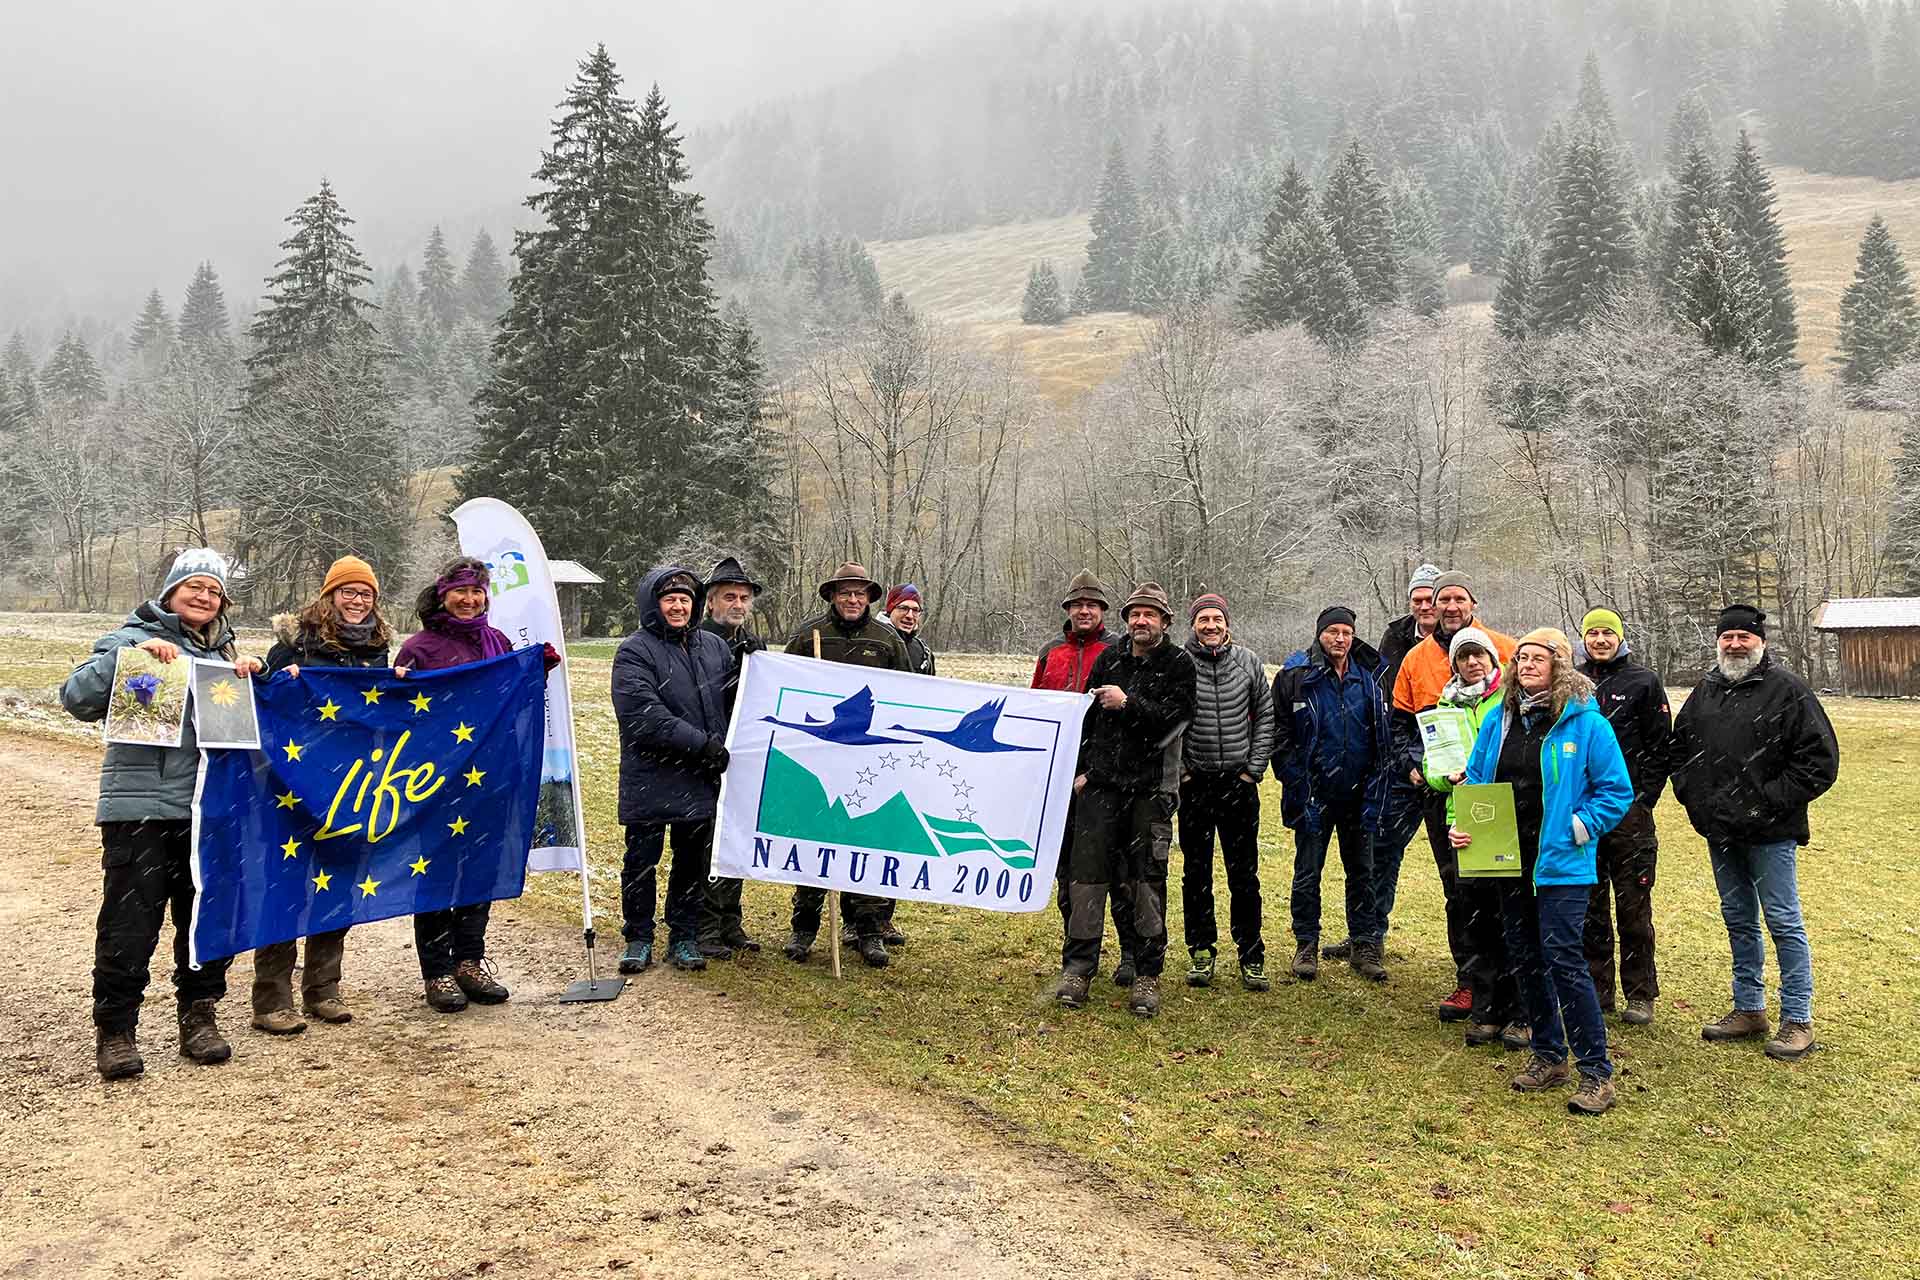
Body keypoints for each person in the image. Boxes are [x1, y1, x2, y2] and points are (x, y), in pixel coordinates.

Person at [62, 548, 262, 1079]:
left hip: (211, 810)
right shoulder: (129, 640)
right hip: (141, 811)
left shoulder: (227, 656)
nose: (203, 596)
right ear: (170, 593)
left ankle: (199, 1015)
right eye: (193, 586)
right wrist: (125, 662)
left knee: (203, 922)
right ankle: (116, 1029)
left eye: (214, 590)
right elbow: (76, 698)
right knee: (130, 923)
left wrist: (258, 680)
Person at [1452, 627, 1633, 1116]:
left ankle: (1596, 1072)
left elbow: (1616, 792)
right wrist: (1460, 826)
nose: (1527, 664)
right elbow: (1474, 781)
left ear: (1560, 665)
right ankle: (1549, 1056)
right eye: (1522, 657)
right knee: (1526, 958)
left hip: (1562, 866)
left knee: (1564, 960)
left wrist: (1579, 826)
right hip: (1509, 862)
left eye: (1539, 657)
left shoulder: (1586, 724)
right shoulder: (1499, 720)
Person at [1672, 605, 1839, 1062]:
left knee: (1783, 921)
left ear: (1760, 641)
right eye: (1727, 637)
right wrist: (1696, 800)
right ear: (1718, 641)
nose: (1735, 644)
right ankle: (1749, 1007)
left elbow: (1819, 762)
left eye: (1744, 637)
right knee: (1739, 919)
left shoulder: (1788, 690)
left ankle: (1798, 1018)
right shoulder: (1705, 692)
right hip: (1720, 831)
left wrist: (1766, 801)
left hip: (1771, 832)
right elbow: (1680, 751)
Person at [394, 555, 560, 1012]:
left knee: (480, 869)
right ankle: (437, 970)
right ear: (442, 594)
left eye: (476, 592)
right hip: (434, 780)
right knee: (437, 872)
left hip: (489, 777)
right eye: (460, 591)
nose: (468, 600)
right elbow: (399, 715)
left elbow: (510, 700)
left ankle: (470, 960)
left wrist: (533, 669)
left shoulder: (498, 641)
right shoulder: (419, 648)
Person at [252, 554, 397, 1034]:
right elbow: (263, 703)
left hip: (351, 783)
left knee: (337, 883)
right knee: (287, 885)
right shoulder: (294, 644)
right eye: (348, 592)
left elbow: (383, 714)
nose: (357, 601)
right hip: (292, 784)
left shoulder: (378, 650)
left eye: (366, 594)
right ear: (329, 595)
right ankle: (272, 997)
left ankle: (323, 988)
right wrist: (278, 681)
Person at [1054, 582, 1195, 1018]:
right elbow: (1088, 720)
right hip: (1100, 789)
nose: (1141, 621)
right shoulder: (1109, 660)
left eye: (1150, 614)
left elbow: (1173, 722)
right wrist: (1080, 770)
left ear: (1165, 622)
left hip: (1149, 792)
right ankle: (1078, 968)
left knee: (1145, 884)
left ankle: (1146, 974)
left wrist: (1128, 703)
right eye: (1135, 614)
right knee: (1086, 881)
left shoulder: (1178, 664)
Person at [1390, 570, 1517, 1025]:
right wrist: (1414, 765)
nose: (1449, 606)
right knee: (1458, 890)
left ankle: (1514, 986)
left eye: (1459, 598)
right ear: (1431, 607)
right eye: (1442, 599)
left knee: (1507, 891)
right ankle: (1470, 980)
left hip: (1503, 798)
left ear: (1473, 603)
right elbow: (1402, 723)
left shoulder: (1504, 648)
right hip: (1442, 793)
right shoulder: (1415, 659)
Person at [783, 562, 912, 968]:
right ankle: (803, 928)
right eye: (845, 593)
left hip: (867, 763)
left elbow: (907, 695)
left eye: (860, 594)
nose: (853, 600)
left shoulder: (886, 640)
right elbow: (783, 687)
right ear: (833, 597)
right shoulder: (809, 636)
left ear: (870, 598)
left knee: (866, 841)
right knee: (815, 838)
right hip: (820, 757)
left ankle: (869, 930)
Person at [613, 566, 734, 974]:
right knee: (642, 861)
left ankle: (683, 935)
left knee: (690, 863)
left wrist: (755, 665)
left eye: (685, 599)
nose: (678, 606)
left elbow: (736, 698)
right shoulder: (635, 650)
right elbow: (644, 716)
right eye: (670, 599)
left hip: (699, 778)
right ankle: (638, 937)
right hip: (652, 774)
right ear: (654, 604)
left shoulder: (714, 647)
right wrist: (703, 745)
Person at [1325, 562, 1441, 963]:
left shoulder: (1465, 640)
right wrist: (1399, 757)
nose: (1425, 606)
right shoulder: (1395, 637)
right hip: (1402, 760)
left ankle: (1475, 959)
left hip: (1454, 766)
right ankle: (1368, 933)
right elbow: (1386, 701)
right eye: (1418, 599)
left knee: (1459, 866)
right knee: (1381, 850)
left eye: (1432, 599)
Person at [1033, 570, 1143, 986]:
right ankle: (1078, 952)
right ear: (1067, 610)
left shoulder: (1119, 651)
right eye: (1077, 605)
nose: (1084, 610)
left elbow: (1132, 716)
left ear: (1102, 612)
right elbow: (1036, 712)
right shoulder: (1051, 653)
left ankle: (1131, 952)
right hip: (1061, 775)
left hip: (1108, 777)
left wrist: (1097, 769)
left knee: (1119, 869)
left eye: (1092, 605)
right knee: (1070, 871)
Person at [1273, 606, 1392, 984]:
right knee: (1308, 870)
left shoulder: (1372, 675)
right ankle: (1306, 942)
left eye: (1346, 632)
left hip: (1360, 792)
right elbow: (1281, 734)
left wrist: (1376, 784)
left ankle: (1364, 943)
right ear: (1319, 634)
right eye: (1332, 632)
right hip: (1314, 792)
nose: (1340, 639)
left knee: (1363, 871)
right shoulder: (1296, 675)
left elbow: (1383, 736)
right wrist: (1296, 781)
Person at [1420, 627, 1525, 1049]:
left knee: (1513, 914)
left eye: (1479, 655)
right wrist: (1443, 777)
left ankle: (1521, 1009)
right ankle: (1485, 1006)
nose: (1472, 663)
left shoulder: (1512, 702)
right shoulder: (1443, 707)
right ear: (1455, 664)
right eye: (1464, 657)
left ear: (1493, 660)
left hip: (1509, 816)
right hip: (1462, 817)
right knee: (1474, 913)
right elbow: (1431, 765)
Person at [1575, 607, 1673, 1027]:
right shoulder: (1572, 682)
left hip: (1630, 814)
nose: (1599, 640)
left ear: (1620, 638)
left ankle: (1640, 992)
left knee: (1634, 905)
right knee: (1590, 907)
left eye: (1606, 633)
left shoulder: (1643, 682)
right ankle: (1598, 990)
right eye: (1592, 633)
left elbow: (1662, 746)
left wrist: (1644, 798)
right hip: (1584, 811)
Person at [1178, 593, 1275, 991]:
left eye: (1217, 619)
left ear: (1227, 623)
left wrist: (1253, 771)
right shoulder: (1180, 665)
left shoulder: (1249, 662)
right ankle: (1201, 949)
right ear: (1194, 625)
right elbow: (1172, 718)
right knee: (1195, 872)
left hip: (1238, 784)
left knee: (1244, 874)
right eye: (1203, 620)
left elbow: (1266, 714)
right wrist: (1183, 772)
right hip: (1195, 785)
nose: (1211, 626)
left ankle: (1251, 953)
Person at [697, 556, 766, 960]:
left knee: (733, 838)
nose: (738, 604)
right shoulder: (696, 640)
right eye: (729, 597)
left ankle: (729, 920)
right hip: (704, 754)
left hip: (742, 755)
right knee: (705, 843)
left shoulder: (751, 645)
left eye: (743, 598)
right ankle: (703, 924)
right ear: (711, 602)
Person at [883, 583, 937, 675]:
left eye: (915, 610)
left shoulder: (924, 651)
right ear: (890, 611)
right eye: (903, 608)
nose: (910, 616)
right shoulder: (872, 641)